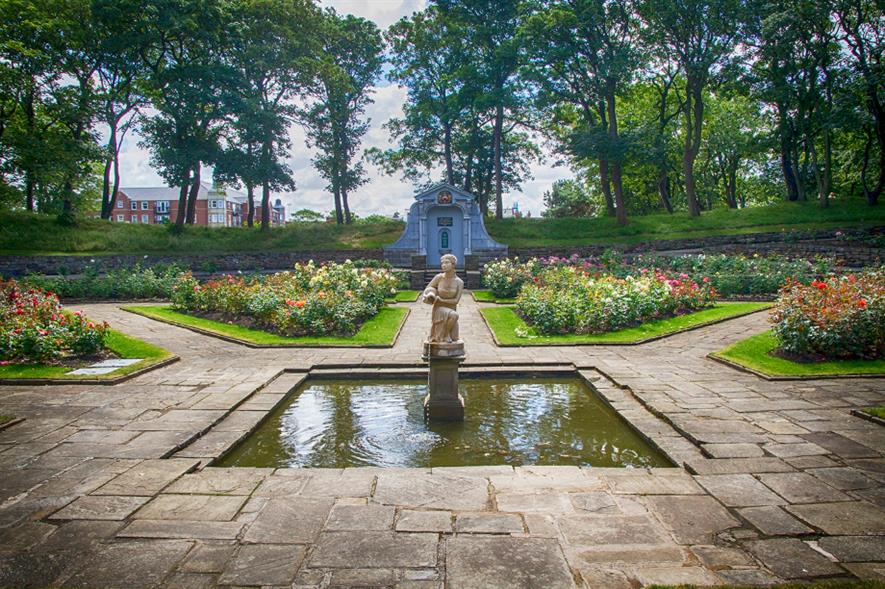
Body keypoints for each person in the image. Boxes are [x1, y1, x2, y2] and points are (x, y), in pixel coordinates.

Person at [422, 253, 463, 343]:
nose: (443, 265)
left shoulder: (459, 282)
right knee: (454, 315)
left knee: (454, 319)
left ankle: (446, 334)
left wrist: (442, 299)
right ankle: (445, 334)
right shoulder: (438, 277)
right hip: (438, 308)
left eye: (446, 262)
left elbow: (456, 301)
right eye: (442, 263)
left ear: (453, 265)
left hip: (451, 307)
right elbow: (428, 289)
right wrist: (431, 294)